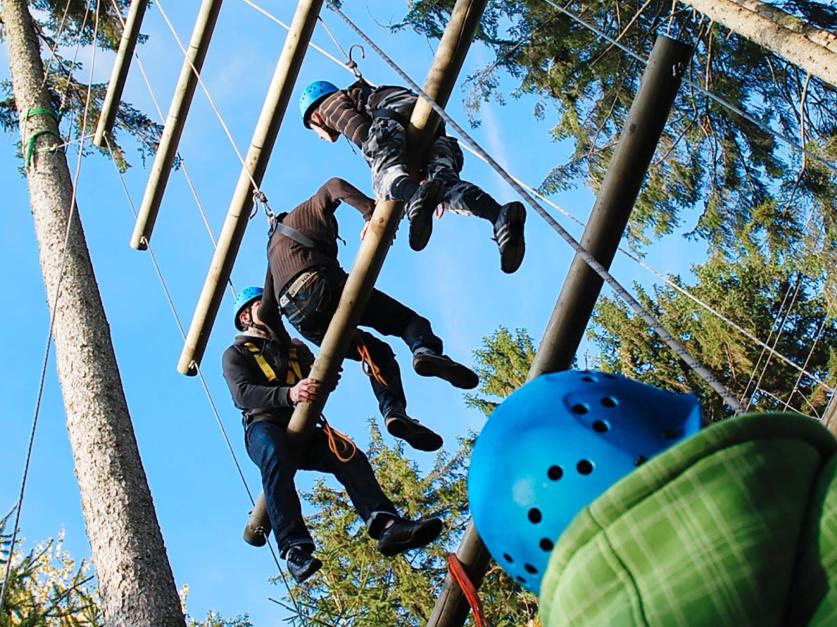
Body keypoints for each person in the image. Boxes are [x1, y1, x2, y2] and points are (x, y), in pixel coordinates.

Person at [222, 286, 444, 583]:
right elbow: (243, 394)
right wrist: (291, 393)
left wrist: (325, 378)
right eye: (262, 306)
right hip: (263, 426)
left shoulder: (296, 348)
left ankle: (385, 524)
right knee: (274, 455)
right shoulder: (235, 354)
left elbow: (315, 377)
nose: (271, 311)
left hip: (303, 424)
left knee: (348, 455)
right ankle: (295, 549)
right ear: (246, 315)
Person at [259, 177, 479, 454]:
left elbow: (267, 314)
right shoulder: (304, 211)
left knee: (376, 353)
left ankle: (394, 412)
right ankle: (424, 350)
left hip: (301, 320)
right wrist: (369, 210)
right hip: (322, 284)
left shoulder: (272, 255)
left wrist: (291, 348)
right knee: (409, 322)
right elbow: (332, 186)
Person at [298, 79, 526, 274]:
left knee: (385, 181)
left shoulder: (329, 105)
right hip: (432, 126)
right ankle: (498, 215)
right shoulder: (363, 93)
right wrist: (425, 188)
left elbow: (364, 134)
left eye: (313, 129)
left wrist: (386, 174)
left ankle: (416, 199)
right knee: (445, 186)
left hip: (392, 113)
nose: (319, 136)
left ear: (315, 116)